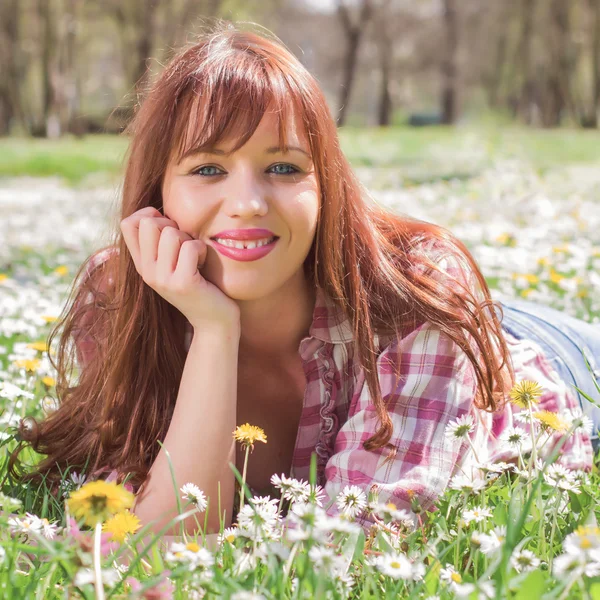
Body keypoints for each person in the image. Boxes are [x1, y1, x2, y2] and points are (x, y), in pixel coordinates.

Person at [10, 23, 598, 539]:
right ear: (156, 189)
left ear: (327, 188)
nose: (246, 203)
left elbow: (365, 535)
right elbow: (165, 533)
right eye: (208, 168)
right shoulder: (119, 294)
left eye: (284, 168)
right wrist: (214, 330)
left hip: (539, 359)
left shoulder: (420, 296)